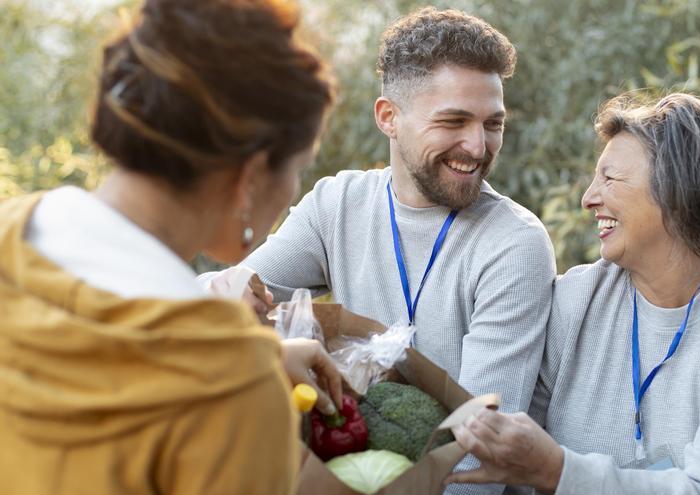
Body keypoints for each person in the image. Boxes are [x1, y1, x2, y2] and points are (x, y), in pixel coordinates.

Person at [0, 0, 340, 493]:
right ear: (249, 176)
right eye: (298, 168)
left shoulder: (11, 228)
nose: (292, 193)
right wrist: (246, 372)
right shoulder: (227, 383)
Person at [205, 5, 556, 458]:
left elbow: (477, 456)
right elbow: (217, 299)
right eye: (453, 121)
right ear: (388, 116)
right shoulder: (337, 204)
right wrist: (226, 290)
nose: (478, 146)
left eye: (493, 124)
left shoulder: (513, 244)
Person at [446, 93, 700, 494]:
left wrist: (557, 471)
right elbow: (508, 459)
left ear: (678, 190)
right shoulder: (576, 302)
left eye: (609, 178)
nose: (588, 198)